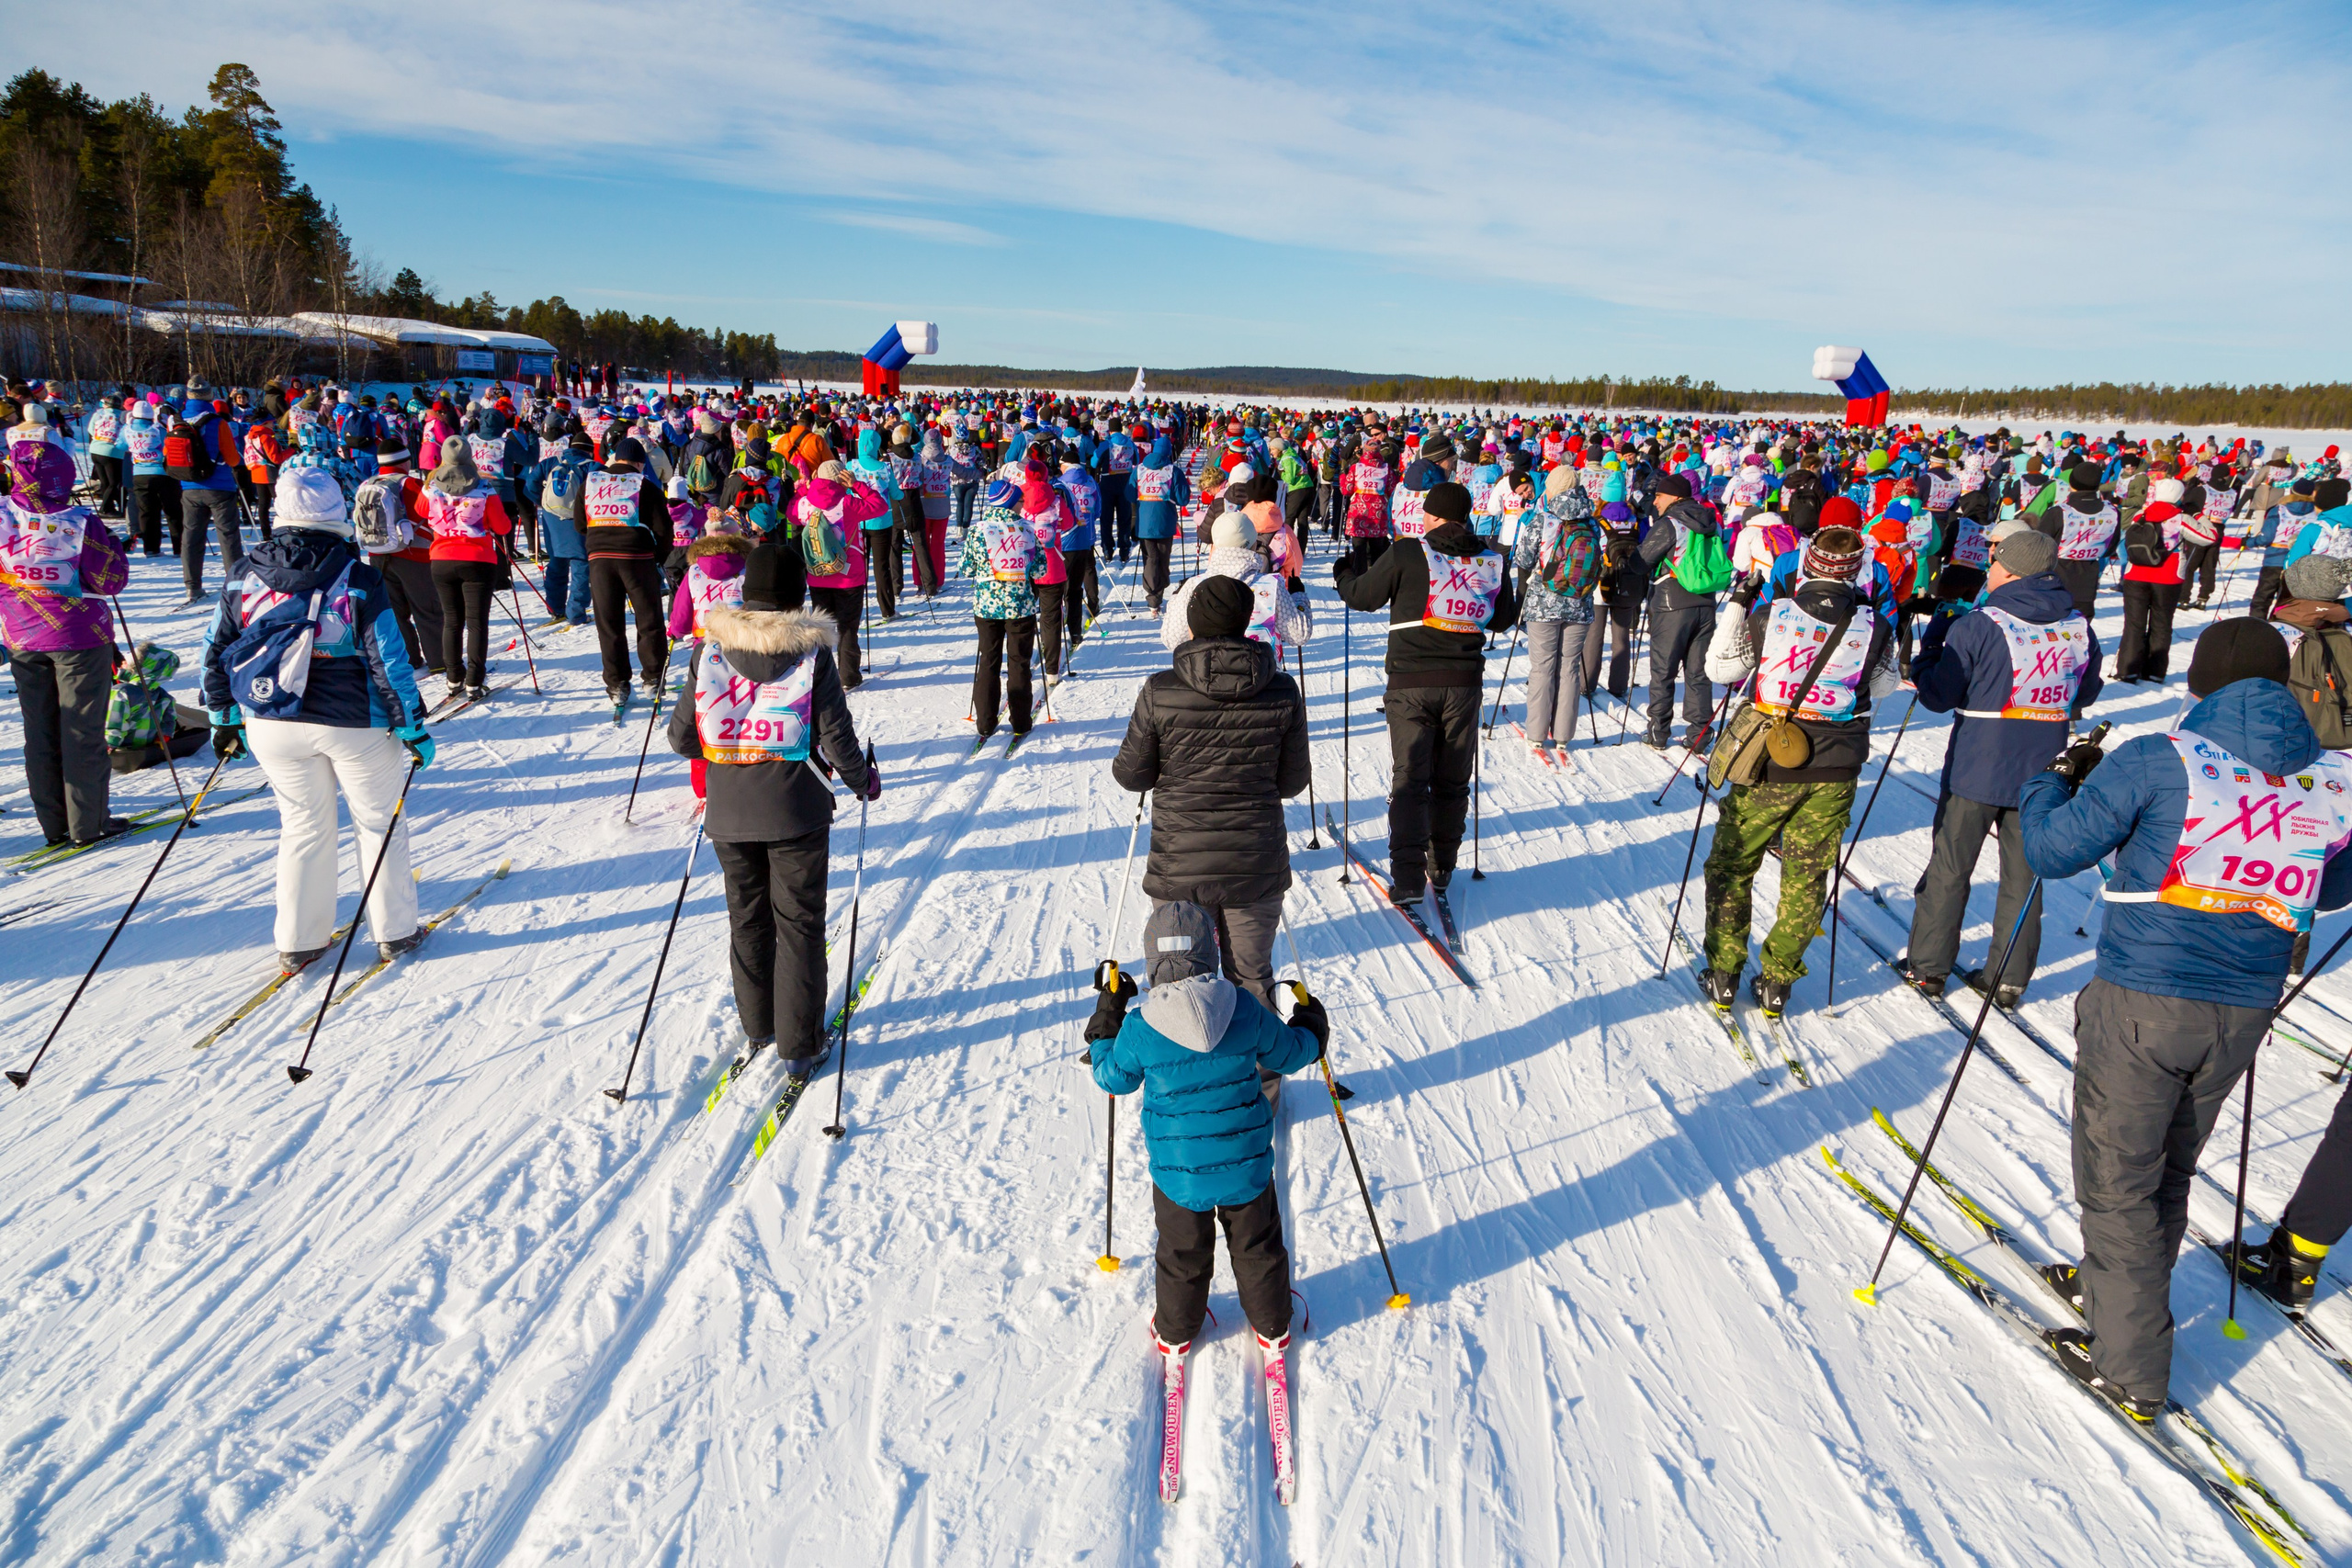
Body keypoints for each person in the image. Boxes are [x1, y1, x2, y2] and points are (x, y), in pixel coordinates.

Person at [2020, 619, 2352, 1420]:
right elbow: (2332, 891)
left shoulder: (2161, 757)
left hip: (2145, 994)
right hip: (2241, 1007)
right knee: (2167, 1163)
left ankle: (2129, 1366)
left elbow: (2051, 849)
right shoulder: (2335, 776)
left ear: (2201, 683)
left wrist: (2054, 781)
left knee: (2117, 1177)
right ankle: (2112, 1286)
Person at [1082, 900, 1329, 1375]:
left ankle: (1176, 1334)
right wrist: (1311, 1024)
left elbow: (1113, 1077)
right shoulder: (1243, 1008)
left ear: (1153, 961)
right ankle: (1273, 1326)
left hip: (1179, 1176)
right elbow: (1293, 1052)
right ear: (1210, 953)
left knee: (1181, 1254)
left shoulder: (1140, 1026)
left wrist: (1107, 1019)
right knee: (1258, 1247)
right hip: (1247, 1164)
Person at [201, 468, 433, 973]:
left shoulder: (244, 572)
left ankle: (300, 939)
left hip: (270, 716)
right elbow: (389, 659)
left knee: (303, 825)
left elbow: (215, 648)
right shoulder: (359, 575)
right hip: (355, 722)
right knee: (377, 822)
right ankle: (394, 931)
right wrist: (412, 722)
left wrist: (223, 716)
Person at [667, 542, 876, 1078]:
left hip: (730, 809)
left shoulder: (709, 651)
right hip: (796, 809)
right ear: (796, 596)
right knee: (800, 924)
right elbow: (836, 737)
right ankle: (799, 1044)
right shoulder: (810, 654)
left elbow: (683, 738)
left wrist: (731, 751)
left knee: (747, 919)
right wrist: (861, 781)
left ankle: (759, 1024)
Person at [1697, 525, 1898, 1014]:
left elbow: (1720, 670)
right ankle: (1778, 980)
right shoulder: (1875, 625)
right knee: (1807, 874)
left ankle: (1725, 971)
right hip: (1838, 763)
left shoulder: (1772, 615)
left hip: (1769, 759)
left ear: (1806, 564)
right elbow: (1886, 685)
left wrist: (1737, 608)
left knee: (1734, 862)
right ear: (1857, 572)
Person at [1896, 529, 2101, 1006]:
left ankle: (1928, 968)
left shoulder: (1981, 623)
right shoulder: (2078, 624)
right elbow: (2085, 693)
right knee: (2024, 874)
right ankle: (2007, 978)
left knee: (1951, 865)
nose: (1988, 569)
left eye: (1995, 562)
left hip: (1979, 763)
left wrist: (1931, 649)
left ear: (2011, 570)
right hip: (2045, 767)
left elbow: (1937, 696)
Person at [1113, 575, 1310, 1013]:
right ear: (1245, 623)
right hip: (1254, 865)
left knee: (1177, 984)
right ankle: (1262, 1081)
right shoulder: (1280, 689)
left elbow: (1131, 775)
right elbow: (1293, 782)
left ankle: (1186, 1079)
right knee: (1252, 982)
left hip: (1180, 868)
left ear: (1192, 622)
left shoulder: (1161, 690)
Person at [1333, 479, 1518, 906]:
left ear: (1431, 517)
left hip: (1410, 682)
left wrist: (1344, 572)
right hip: (1463, 684)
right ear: (1466, 516)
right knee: (1452, 780)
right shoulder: (1491, 559)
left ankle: (1409, 878)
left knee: (1411, 780)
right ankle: (1443, 866)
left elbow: (1362, 597)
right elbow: (1503, 618)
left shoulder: (1408, 552)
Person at [3, 438, 130, 845]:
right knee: (81, 731)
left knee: (40, 731)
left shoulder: (3, 515)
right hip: (78, 637)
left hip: (23, 635)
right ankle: (86, 824)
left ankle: (56, 825)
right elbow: (111, 581)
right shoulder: (80, 522)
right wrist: (110, 545)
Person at [960, 462, 1056, 740]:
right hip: (1020, 607)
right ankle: (1021, 721)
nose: (1020, 504)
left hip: (987, 607)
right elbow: (1040, 570)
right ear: (1011, 503)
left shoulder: (979, 530)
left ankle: (986, 722)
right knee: (1019, 662)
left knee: (988, 660)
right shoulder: (1025, 529)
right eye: (1018, 501)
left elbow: (966, 569)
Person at [418, 437, 515, 703]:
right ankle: (474, 680)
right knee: (476, 623)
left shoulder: (432, 485)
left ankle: (454, 678)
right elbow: (504, 527)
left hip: (442, 558)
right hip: (477, 560)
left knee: (452, 621)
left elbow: (419, 509)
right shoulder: (484, 487)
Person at [1513, 466, 1600, 756]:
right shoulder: (1591, 522)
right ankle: (1563, 734)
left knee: (1542, 667)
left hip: (1543, 604)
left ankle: (1536, 733)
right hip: (1580, 604)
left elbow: (1523, 558)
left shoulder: (1543, 519)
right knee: (1569, 667)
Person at [1638, 473, 1728, 751]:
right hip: (1706, 601)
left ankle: (1658, 732)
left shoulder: (1670, 523)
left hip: (1672, 601)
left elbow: (1642, 561)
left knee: (1663, 670)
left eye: (1660, 495)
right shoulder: (1711, 521)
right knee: (1698, 672)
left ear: (1675, 497)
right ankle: (1699, 734)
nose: (1656, 501)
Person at [582, 436, 673, 707]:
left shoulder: (591, 481)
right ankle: (654, 678)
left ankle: (617, 683)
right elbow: (664, 529)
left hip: (600, 559)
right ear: (638, 463)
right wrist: (659, 557)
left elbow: (579, 522)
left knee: (609, 624)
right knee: (649, 621)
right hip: (637, 557)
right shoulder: (644, 484)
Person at [1159, 512, 1311, 657]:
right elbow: (1298, 635)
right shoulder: (1272, 585)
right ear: (1253, 544)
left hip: (1206, 677)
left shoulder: (1194, 586)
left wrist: (1175, 598)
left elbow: (1173, 640)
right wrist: (1299, 597)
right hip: (1261, 676)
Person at [795, 459, 886, 689]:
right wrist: (857, 485)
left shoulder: (806, 503)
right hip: (848, 576)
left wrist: (805, 488)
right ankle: (849, 676)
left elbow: (791, 514)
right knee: (847, 628)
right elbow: (880, 506)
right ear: (841, 479)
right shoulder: (848, 502)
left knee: (821, 629)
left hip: (818, 574)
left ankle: (821, 675)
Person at [173, 392, 245, 604]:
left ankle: (192, 586)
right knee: (228, 535)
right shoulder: (217, 422)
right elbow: (232, 458)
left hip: (188, 486)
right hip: (220, 487)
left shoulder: (176, 420)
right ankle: (235, 585)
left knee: (192, 536)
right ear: (209, 397)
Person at [2114, 475, 2187, 682]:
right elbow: (2208, 536)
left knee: (2133, 624)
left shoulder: (2141, 515)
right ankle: (2154, 672)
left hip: (2136, 573)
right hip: (2168, 576)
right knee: (2162, 624)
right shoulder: (2182, 517)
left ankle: (2127, 670)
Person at [536, 433, 595, 626]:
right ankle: (576, 613)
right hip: (579, 522)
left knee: (556, 564)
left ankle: (555, 608)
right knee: (580, 566)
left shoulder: (551, 462)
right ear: (589, 450)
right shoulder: (592, 466)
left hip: (552, 520)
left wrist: (543, 504)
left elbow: (530, 485)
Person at [1133, 435, 1191, 616]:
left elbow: (1128, 493)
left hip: (1144, 524)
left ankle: (1153, 597)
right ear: (1169, 452)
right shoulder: (1173, 471)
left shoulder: (1139, 469)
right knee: (1162, 559)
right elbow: (1183, 499)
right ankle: (1156, 596)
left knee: (1150, 559)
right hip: (1165, 523)